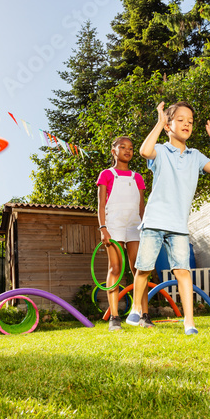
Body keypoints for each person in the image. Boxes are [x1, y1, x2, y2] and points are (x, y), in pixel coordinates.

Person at [124, 101, 210, 335]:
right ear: (169, 125)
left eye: (190, 121)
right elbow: (143, 151)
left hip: (179, 225)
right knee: (143, 267)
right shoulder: (160, 150)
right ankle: (136, 308)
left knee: (183, 271)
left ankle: (189, 322)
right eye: (180, 120)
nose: (186, 124)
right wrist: (159, 123)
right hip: (155, 220)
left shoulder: (196, 156)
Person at [96, 136, 147, 332]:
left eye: (131, 148)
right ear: (113, 151)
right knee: (115, 269)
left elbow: (141, 206)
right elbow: (101, 205)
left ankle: (144, 315)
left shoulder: (138, 177)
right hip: (114, 225)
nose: (128, 150)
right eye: (122, 147)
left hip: (135, 225)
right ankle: (114, 318)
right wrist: (103, 228)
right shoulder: (106, 174)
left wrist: (146, 228)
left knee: (139, 270)